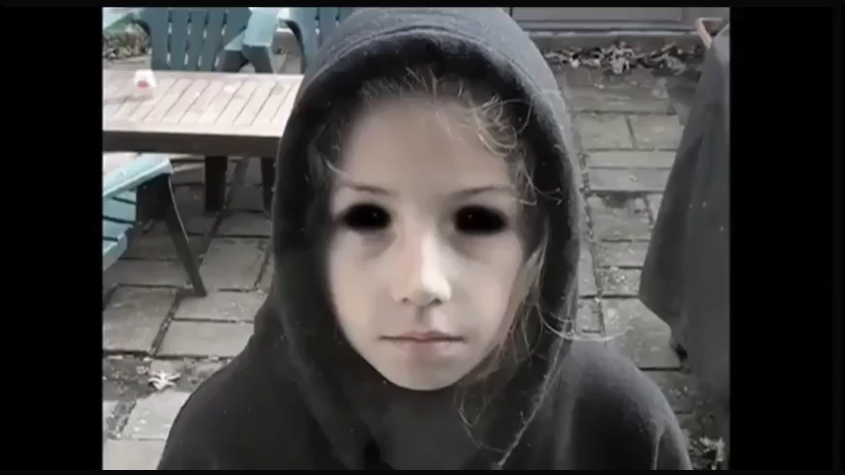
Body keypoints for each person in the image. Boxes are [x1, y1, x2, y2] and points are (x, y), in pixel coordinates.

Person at [157, 8, 692, 470]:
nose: (421, 283)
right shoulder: (223, 442)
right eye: (368, 217)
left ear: (539, 237)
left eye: (476, 219)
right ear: (312, 237)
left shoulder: (621, 433)